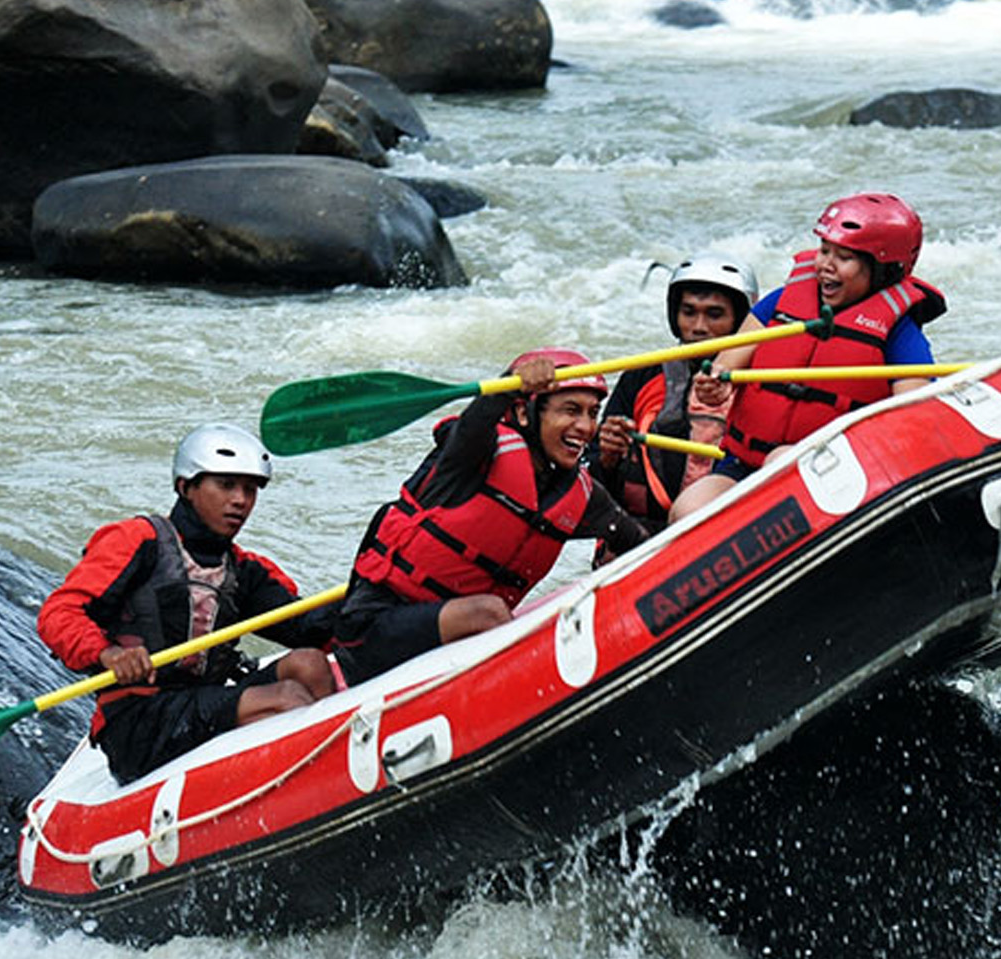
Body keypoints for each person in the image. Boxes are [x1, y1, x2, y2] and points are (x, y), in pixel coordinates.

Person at [331, 349, 654, 685]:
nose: (586, 427)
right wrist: (510, 384)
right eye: (570, 411)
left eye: (592, 413)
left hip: (454, 639)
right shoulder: (471, 455)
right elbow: (477, 419)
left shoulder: (583, 497)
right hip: (371, 631)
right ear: (524, 413)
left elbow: (641, 544)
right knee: (490, 612)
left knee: (493, 613)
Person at [37, 423, 336, 784]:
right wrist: (108, 654)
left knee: (309, 665)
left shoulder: (245, 568)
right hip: (138, 722)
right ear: (186, 487)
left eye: (250, 489)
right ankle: (310, 791)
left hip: (202, 701)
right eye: (226, 485)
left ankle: (330, 787)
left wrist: (375, 589)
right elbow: (58, 613)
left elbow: (310, 628)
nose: (241, 500)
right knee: (287, 699)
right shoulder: (136, 541)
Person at [669, 193, 947, 521]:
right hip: (746, 463)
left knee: (783, 461)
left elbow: (908, 416)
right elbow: (725, 367)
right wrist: (713, 387)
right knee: (686, 510)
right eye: (825, 250)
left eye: (844, 257)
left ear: (883, 268)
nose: (825, 264)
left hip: (837, 475)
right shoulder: (782, 302)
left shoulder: (899, 331)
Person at [589, 252, 760, 526]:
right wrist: (608, 456)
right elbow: (593, 477)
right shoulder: (641, 376)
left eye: (714, 315)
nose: (698, 327)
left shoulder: (765, 378)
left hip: (729, 528)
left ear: (741, 321)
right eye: (688, 312)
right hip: (640, 534)